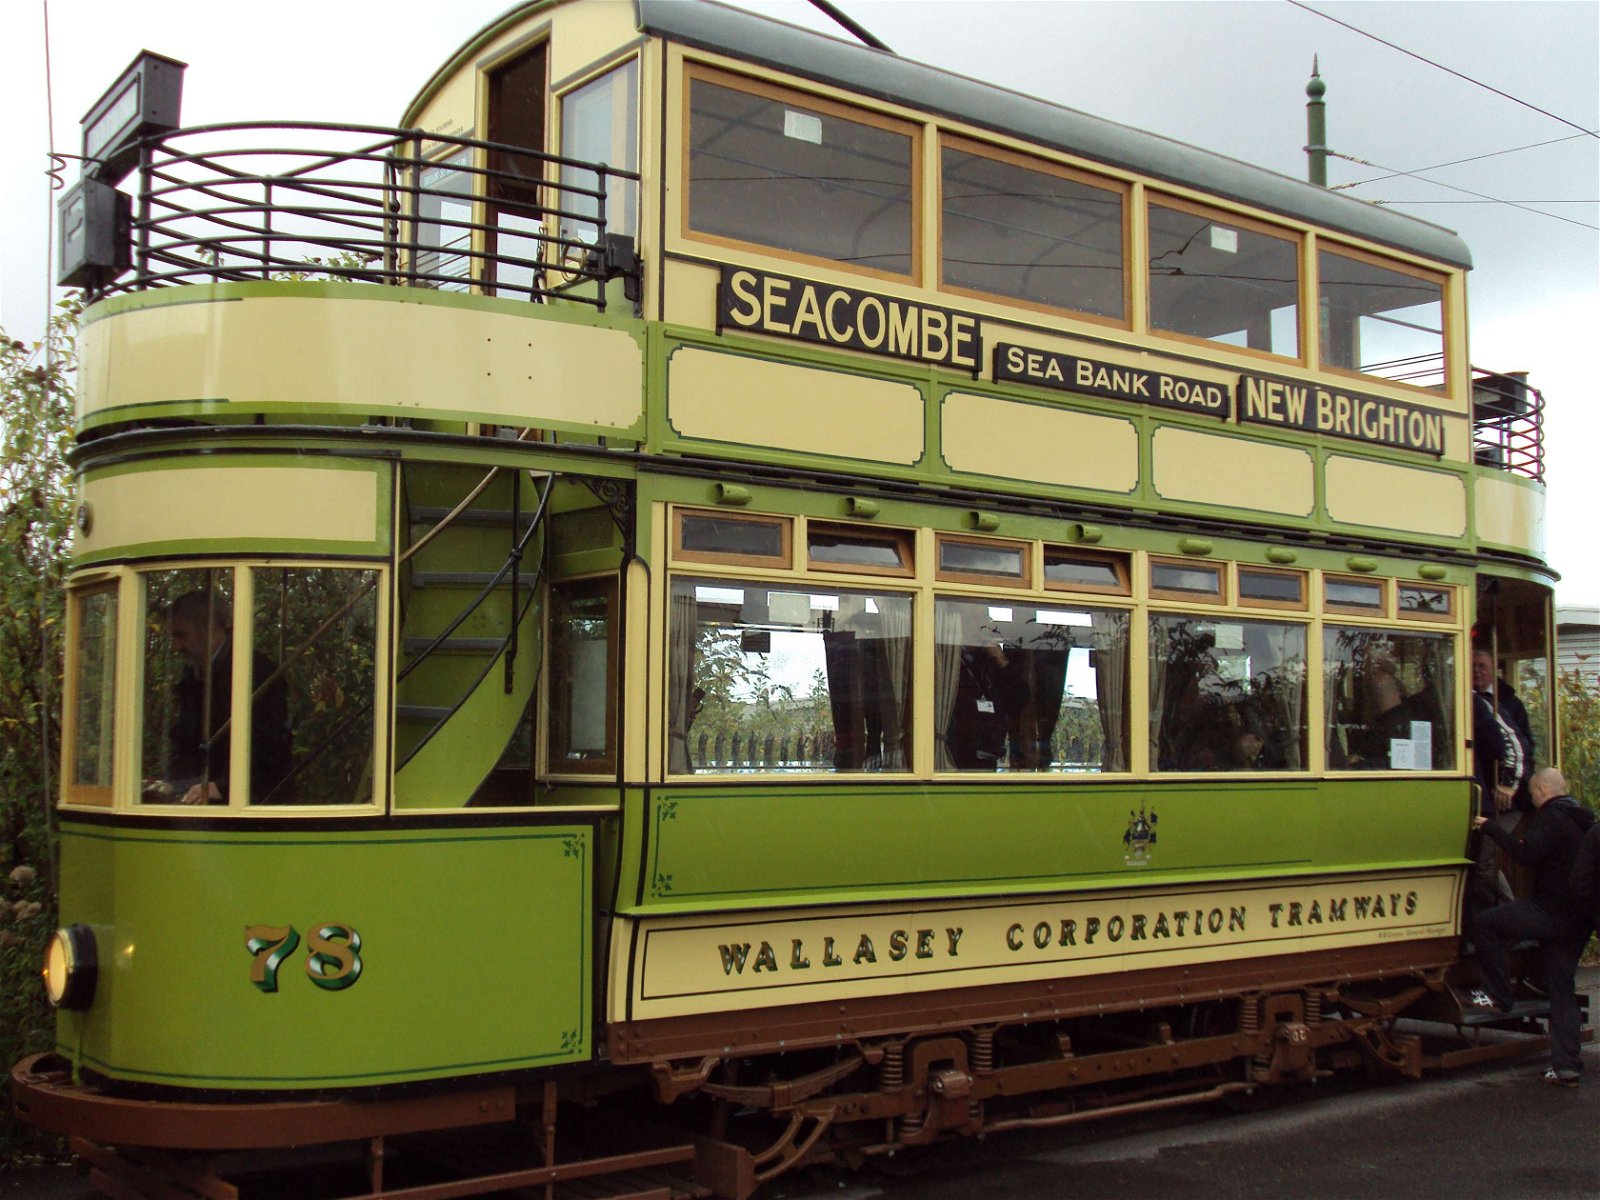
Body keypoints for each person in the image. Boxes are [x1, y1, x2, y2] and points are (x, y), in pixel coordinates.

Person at [1471, 767, 1596, 1087]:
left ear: (1541, 790)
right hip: (1578, 919)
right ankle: (1566, 1067)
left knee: (1486, 924)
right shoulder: (1584, 820)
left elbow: (1525, 854)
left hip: (1549, 911)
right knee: (1562, 989)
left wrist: (1491, 828)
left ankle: (1498, 995)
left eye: (1532, 793)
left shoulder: (1551, 818)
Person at [155, 590, 290, 805]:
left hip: (254, 809)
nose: (175, 647)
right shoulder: (194, 672)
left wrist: (222, 786)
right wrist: (170, 783)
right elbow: (186, 740)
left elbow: (272, 752)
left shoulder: (256, 672)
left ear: (209, 628)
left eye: (181, 635)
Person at [1469, 646, 1532, 913]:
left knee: (1483, 863)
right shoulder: (1468, 698)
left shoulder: (1503, 702)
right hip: (1483, 796)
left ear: (1494, 669)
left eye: (1481, 665)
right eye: (1471, 665)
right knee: (1478, 862)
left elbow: (1519, 746)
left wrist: (1508, 783)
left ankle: (1515, 918)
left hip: (1508, 799)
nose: (1476, 671)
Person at [947, 619, 1029, 770]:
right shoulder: (948, 659)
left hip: (990, 755)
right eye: (980, 623)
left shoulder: (990, 663)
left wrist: (1002, 661)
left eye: (986, 624)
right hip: (957, 757)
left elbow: (1020, 700)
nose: (985, 629)